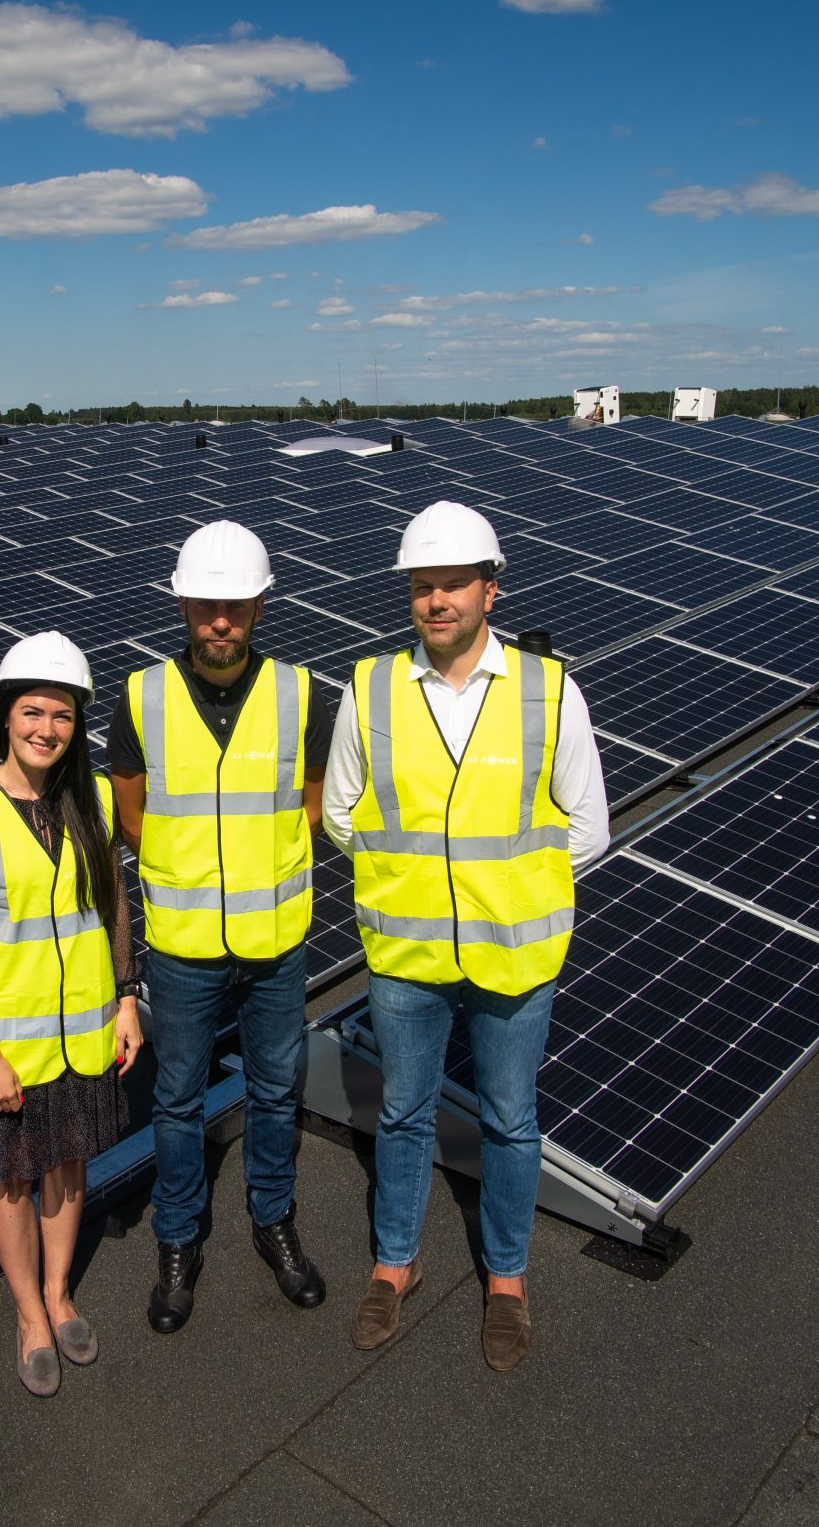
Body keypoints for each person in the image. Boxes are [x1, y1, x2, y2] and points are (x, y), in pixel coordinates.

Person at [320, 502, 610, 1372]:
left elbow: (587, 829)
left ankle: (507, 1278)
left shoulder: (548, 690)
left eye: (454, 584)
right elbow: (340, 812)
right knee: (403, 1110)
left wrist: (506, 891)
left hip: (514, 953)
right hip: (405, 954)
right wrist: (412, 883)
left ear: (492, 588)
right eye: (422, 585)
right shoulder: (370, 687)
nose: (437, 600)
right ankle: (394, 1263)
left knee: (511, 1120)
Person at [106, 520, 335, 1334]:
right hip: (183, 947)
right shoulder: (141, 696)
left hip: (276, 942)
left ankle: (274, 1218)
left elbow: (312, 807)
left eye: (235, 606)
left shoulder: (301, 693)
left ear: (260, 607)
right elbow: (131, 815)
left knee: (276, 1088)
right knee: (176, 1099)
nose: (220, 621)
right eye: (206, 605)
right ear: (183, 606)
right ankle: (178, 1237)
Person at [0, 631, 143, 1397]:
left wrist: (126, 997)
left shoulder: (90, 800)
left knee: (66, 1164)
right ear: (4, 715)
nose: (46, 728)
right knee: (9, 1181)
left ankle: (60, 1295)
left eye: (62, 715)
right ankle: (28, 1314)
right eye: (32, 711)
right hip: (11, 1046)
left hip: (85, 1029)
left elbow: (113, 904)